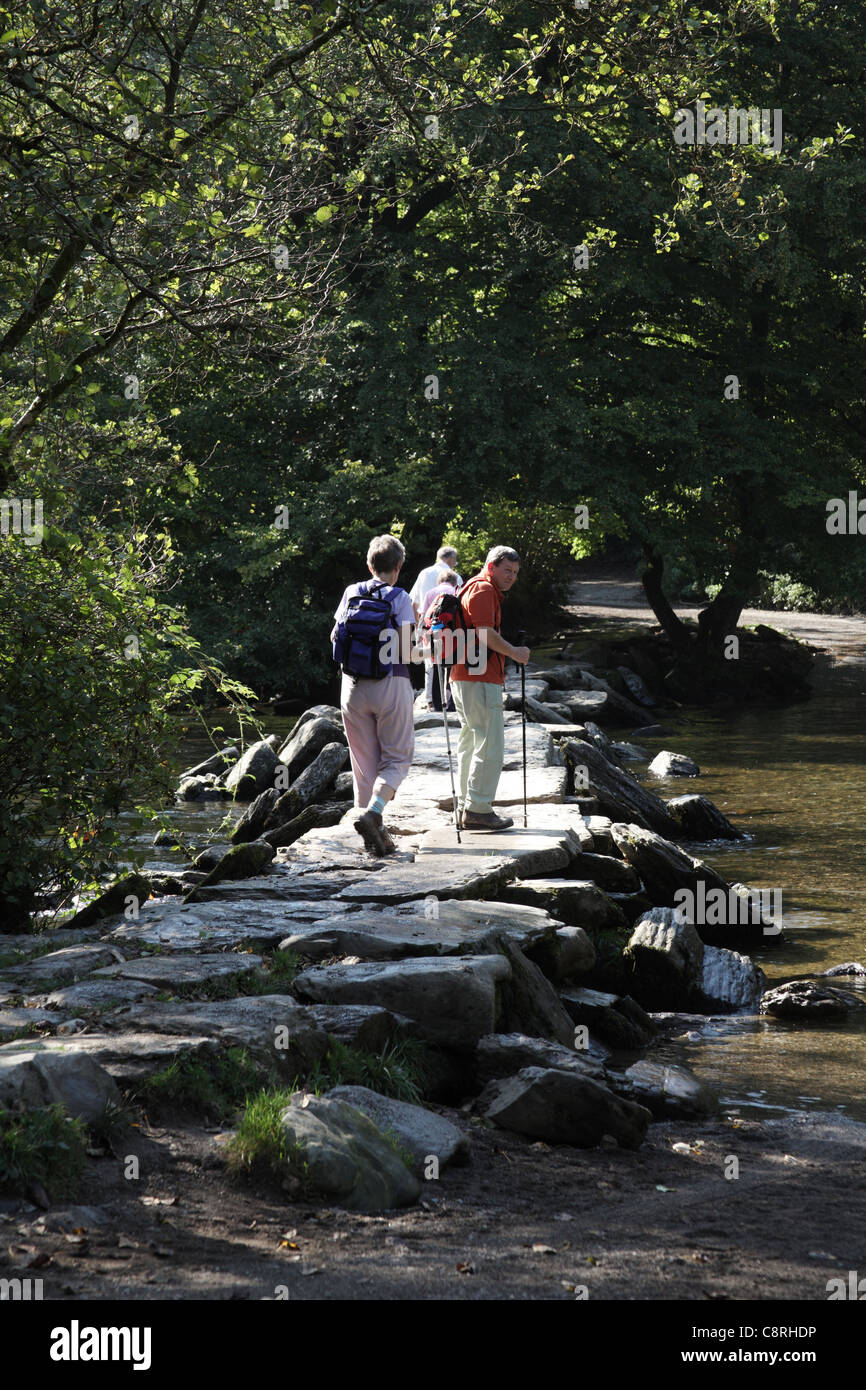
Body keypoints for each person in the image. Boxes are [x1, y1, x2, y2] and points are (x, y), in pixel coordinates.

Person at [331, 534, 415, 857]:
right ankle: (375, 812)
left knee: (363, 764)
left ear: (369, 565)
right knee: (396, 758)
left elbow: (334, 637)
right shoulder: (400, 598)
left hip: (351, 687)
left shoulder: (352, 592)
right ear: (399, 566)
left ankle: (364, 836)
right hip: (390, 684)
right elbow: (406, 649)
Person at [449, 546, 530, 831]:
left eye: (515, 573)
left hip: (464, 675)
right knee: (489, 744)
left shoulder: (472, 586)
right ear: (491, 567)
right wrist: (514, 652)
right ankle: (478, 809)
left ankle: (465, 807)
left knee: (471, 743)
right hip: (479, 677)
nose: (511, 577)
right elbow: (485, 633)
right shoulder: (483, 590)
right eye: (507, 570)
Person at [409, 546, 463, 709]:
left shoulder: (424, 574)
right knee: (453, 660)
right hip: (451, 629)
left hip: (429, 626)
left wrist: (418, 629)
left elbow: (415, 603)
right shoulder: (456, 578)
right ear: (451, 559)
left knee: (430, 662)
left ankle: (431, 700)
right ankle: (451, 698)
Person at [420, 568, 459, 712]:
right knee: (452, 667)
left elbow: (424, 615)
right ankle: (452, 703)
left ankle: (436, 704)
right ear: (454, 582)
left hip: (434, 634)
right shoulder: (456, 591)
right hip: (452, 633)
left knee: (436, 667)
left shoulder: (430, 593)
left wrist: (422, 636)